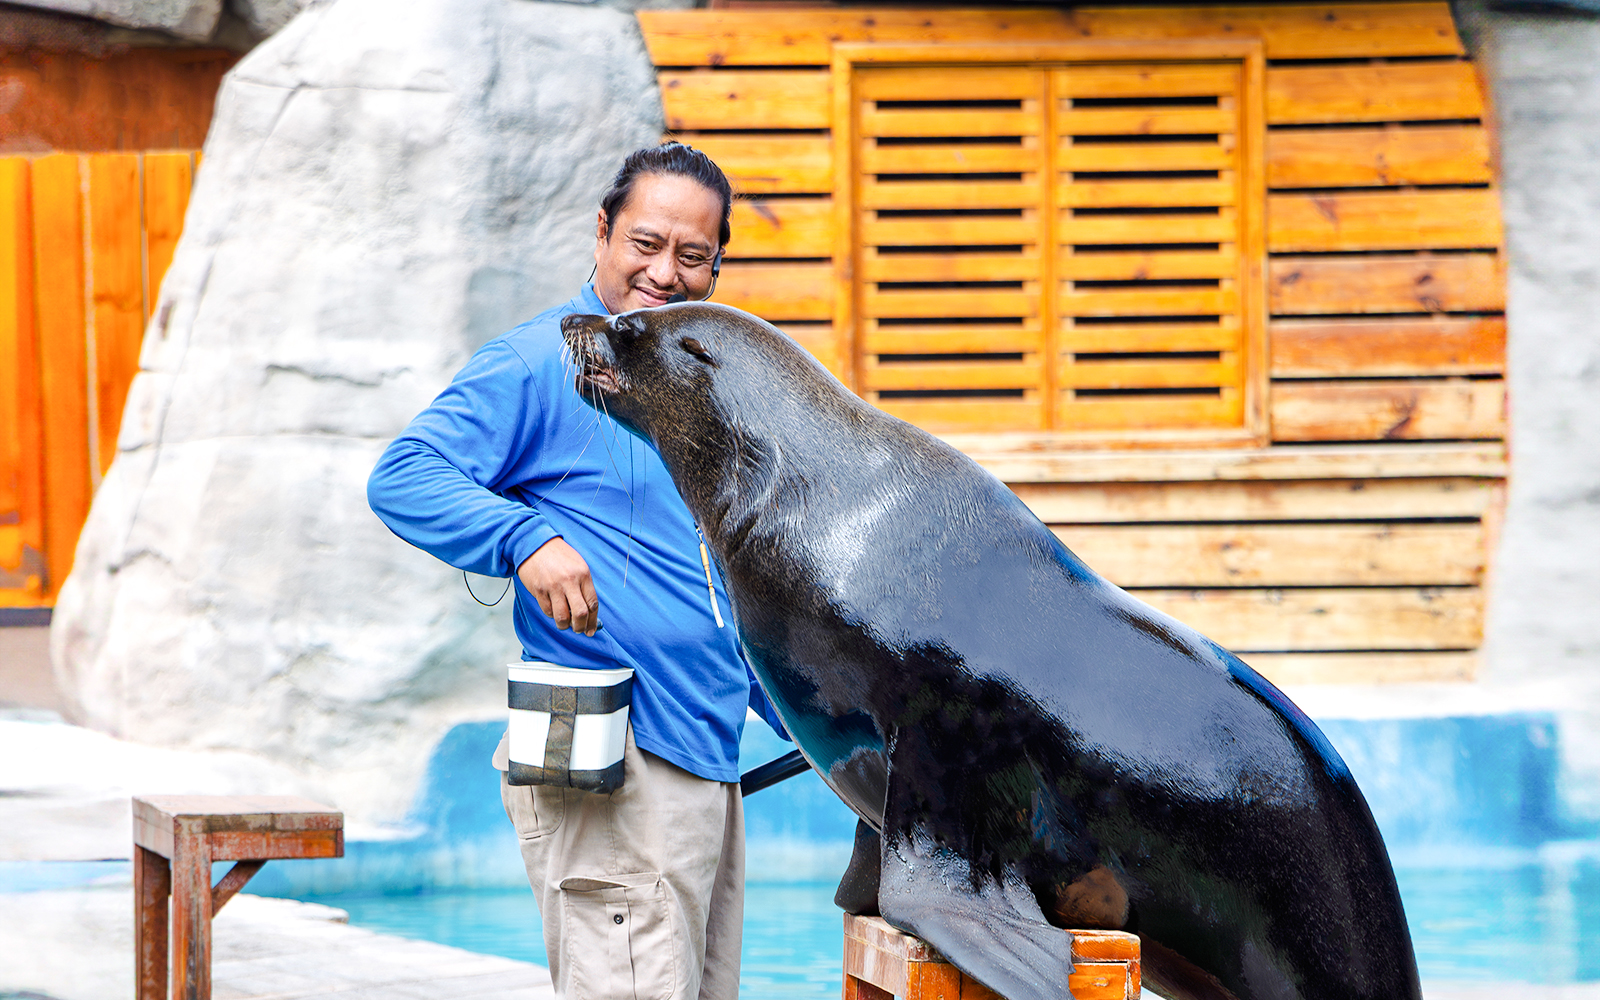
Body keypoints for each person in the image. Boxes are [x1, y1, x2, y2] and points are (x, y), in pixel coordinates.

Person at [367, 142, 787, 1000]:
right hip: (619, 763)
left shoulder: (696, 389)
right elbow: (403, 475)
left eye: (693, 255)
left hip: (706, 765)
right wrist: (523, 539)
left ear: (717, 264)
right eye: (645, 243)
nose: (665, 273)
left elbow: (705, 583)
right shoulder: (535, 363)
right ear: (602, 230)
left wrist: (810, 716)